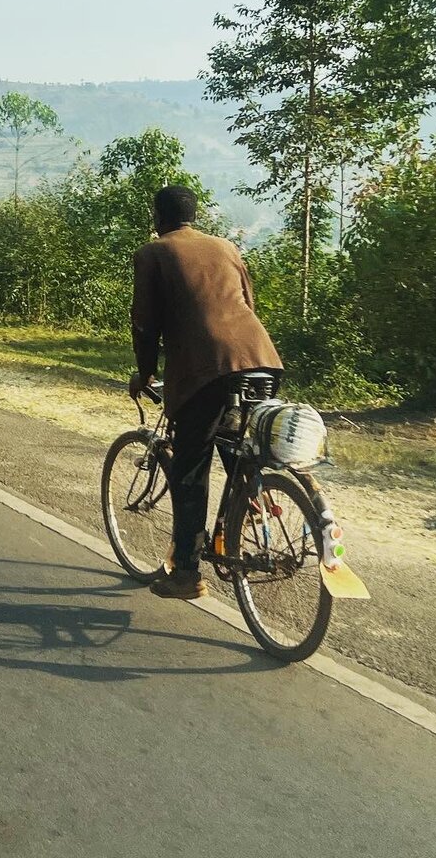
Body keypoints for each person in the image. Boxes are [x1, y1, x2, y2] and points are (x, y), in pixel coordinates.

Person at [129, 185, 282, 600]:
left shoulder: (153, 253)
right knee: (236, 442)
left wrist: (144, 375)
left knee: (190, 468)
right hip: (260, 359)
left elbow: (145, 326)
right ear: (194, 214)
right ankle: (246, 503)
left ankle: (187, 574)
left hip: (205, 370)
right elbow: (247, 300)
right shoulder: (225, 245)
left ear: (157, 216)